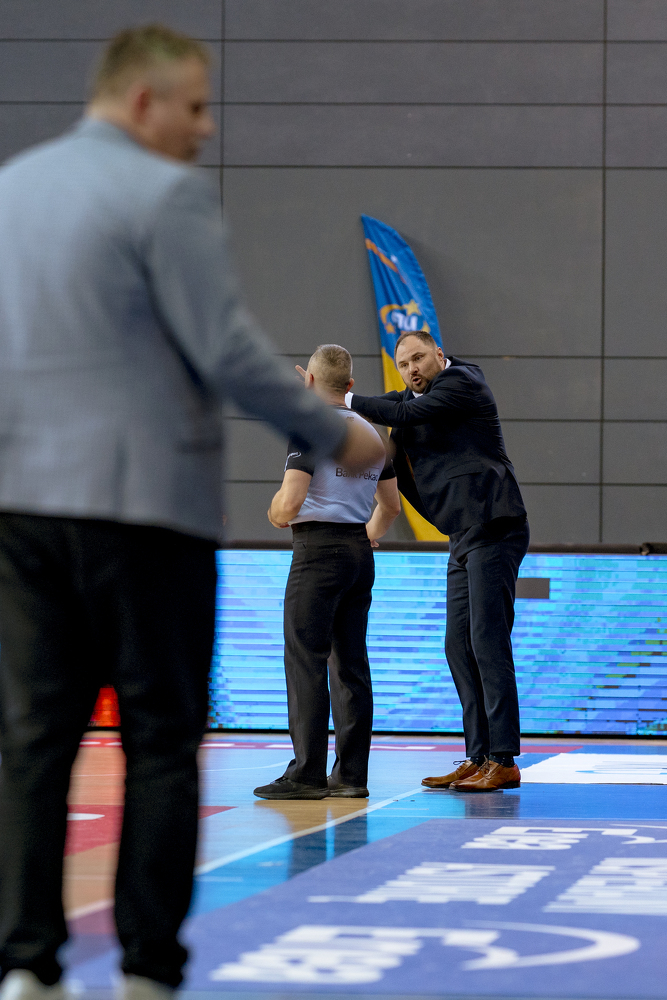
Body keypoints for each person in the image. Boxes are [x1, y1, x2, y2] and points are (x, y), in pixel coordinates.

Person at [0, 26, 384, 1000]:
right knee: (160, 743)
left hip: (24, 514)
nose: (206, 129)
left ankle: (27, 966)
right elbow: (224, 350)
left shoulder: (13, 190)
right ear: (143, 102)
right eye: (197, 107)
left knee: (34, 742)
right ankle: (146, 970)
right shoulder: (165, 195)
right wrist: (337, 432)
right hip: (145, 517)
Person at [347, 331, 529, 793]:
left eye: (419, 358)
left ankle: (504, 760)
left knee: (487, 639)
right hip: (462, 532)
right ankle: (478, 755)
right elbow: (390, 413)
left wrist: (344, 398)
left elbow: (402, 412)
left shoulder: (462, 382)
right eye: (404, 363)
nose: (412, 369)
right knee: (458, 645)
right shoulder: (410, 400)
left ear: (439, 355)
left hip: (493, 523)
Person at [254, 345, 400, 801]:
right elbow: (391, 506)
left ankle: (306, 774)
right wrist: (364, 537)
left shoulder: (311, 429)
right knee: (351, 664)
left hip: (316, 552)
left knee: (306, 660)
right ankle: (351, 776)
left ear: (310, 381)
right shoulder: (371, 434)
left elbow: (290, 502)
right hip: (358, 552)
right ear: (350, 385)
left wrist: (275, 513)